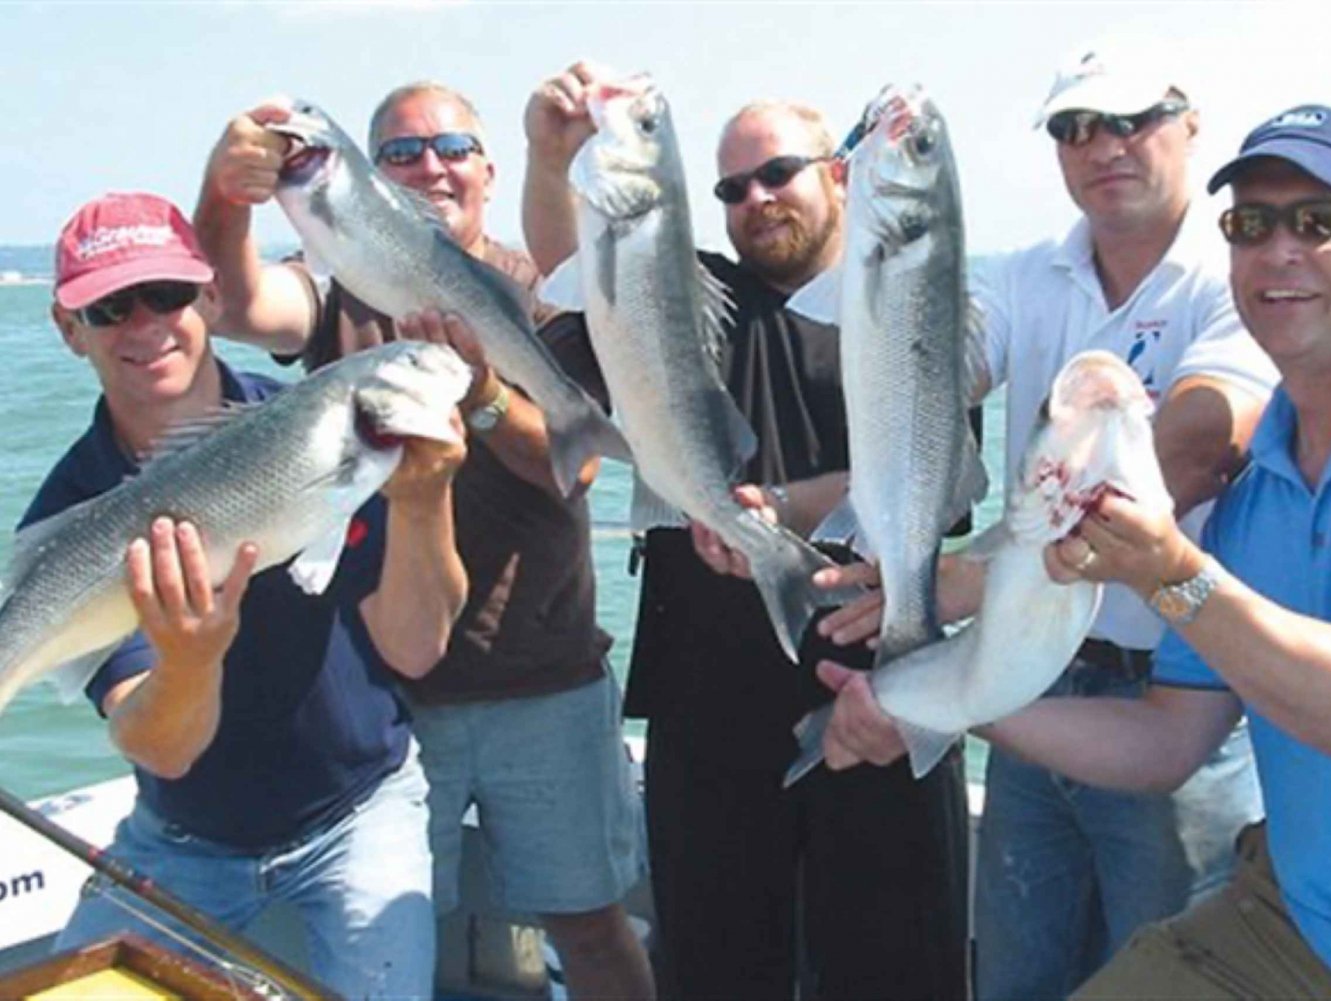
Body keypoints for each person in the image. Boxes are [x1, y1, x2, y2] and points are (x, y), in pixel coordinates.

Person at [823, 103, 1331, 998]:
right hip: (1300, 926)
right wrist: (930, 701)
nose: (1282, 250)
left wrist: (1167, 571)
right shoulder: (1252, 487)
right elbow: (1164, 738)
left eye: (1322, 221)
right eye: (1251, 224)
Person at [813, 49, 1275, 1000]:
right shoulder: (1024, 277)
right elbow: (924, 370)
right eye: (1074, 127)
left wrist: (966, 581)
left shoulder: (1240, 282)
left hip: (1178, 700)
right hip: (1030, 676)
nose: (1101, 145)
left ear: (1191, 122)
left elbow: (1194, 449)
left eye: (1130, 119)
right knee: (1017, 976)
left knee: (1168, 976)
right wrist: (856, 226)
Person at [194, 82, 654, 999]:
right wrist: (225, 191)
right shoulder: (336, 281)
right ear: (367, 172)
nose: (429, 166)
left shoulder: (546, 288)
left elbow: (577, 464)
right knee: (402, 936)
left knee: (594, 927)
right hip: (387, 694)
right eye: (400, 152)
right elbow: (235, 304)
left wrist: (481, 394)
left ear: (490, 168)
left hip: (547, 672)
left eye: (451, 146)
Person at [522, 62, 970, 1000]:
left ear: (841, 175)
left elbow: (948, 491)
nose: (754, 199)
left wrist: (794, 505)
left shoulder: (910, 304)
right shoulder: (695, 296)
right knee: (719, 969)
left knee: (895, 969)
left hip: (875, 690)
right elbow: (583, 279)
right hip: (706, 707)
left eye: (778, 174)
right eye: (729, 188)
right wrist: (552, 154)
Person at [36, 191, 466, 1001]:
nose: (146, 324)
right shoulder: (72, 510)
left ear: (207, 299)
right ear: (69, 330)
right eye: (109, 307)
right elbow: (159, 744)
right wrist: (192, 658)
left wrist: (422, 501)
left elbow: (415, 649)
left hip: (359, 810)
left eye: (167, 295)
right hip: (180, 839)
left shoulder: (316, 424)